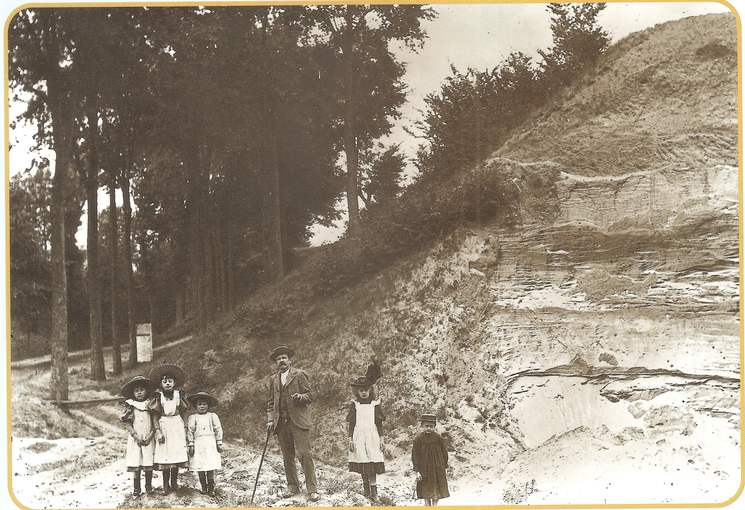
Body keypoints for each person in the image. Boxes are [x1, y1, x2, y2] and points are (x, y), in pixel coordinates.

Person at [266, 345, 319, 502]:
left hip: (298, 421)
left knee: (305, 454)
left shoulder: (299, 375)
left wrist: (301, 397)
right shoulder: (273, 379)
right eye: (278, 359)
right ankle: (292, 487)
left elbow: (311, 395)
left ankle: (312, 490)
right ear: (276, 362)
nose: (281, 361)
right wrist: (270, 419)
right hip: (281, 422)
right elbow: (270, 402)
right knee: (287, 456)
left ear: (290, 360)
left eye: (284, 358)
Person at [148, 363, 190, 494]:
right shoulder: (158, 397)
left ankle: (174, 482)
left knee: (176, 454)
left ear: (174, 383)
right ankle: (165, 484)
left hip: (176, 426)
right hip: (164, 426)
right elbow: (155, 417)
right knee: (166, 456)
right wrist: (157, 431)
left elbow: (184, 412)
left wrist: (185, 426)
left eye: (170, 381)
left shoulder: (179, 395)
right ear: (160, 384)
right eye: (164, 381)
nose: (167, 384)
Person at [346, 360, 385, 499]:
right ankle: (366, 489)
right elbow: (351, 423)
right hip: (358, 436)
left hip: (372, 435)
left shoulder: (375, 404)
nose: (363, 393)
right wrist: (350, 439)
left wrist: (382, 439)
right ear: (357, 392)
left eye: (366, 390)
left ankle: (374, 490)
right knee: (362, 461)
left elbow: (379, 424)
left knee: (372, 462)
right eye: (361, 391)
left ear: (370, 391)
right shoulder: (355, 405)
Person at [120, 375, 158, 496]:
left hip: (148, 438)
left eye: (142, 389)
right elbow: (128, 424)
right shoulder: (131, 405)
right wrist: (136, 436)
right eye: (136, 390)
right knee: (136, 462)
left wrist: (150, 436)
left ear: (146, 391)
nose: (139, 392)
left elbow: (155, 423)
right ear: (133, 393)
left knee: (148, 462)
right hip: (135, 440)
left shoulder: (151, 404)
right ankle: (136, 487)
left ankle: (148, 486)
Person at [186, 391, 223, 497]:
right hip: (198, 443)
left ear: (208, 405)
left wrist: (219, 442)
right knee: (200, 466)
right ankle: (204, 487)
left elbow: (218, 429)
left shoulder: (212, 416)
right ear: (195, 406)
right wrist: (191, 444)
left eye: (204, 404)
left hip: (210, 442)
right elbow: (190, 431)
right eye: (199, 404)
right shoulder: (193, 417)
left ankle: (211, 488)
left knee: (209, 465)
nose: (202, 406)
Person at [412, 414, 449, 506]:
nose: (428, 428)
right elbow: (415, 455)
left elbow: (444, 452)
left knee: (436, 492)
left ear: (434, 426)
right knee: (426, 492)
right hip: (424, 470)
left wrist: (444, 465)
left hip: (437, 468)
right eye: (426, 426)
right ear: (422, 426)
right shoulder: (418, 439)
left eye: (431, 426)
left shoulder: (438, 438)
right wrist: (417, 470)